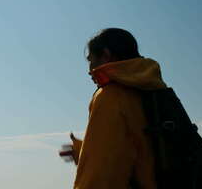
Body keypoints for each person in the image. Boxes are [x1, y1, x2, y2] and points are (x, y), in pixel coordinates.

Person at [60, 28, 167, 189]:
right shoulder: (153, 91)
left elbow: (100, 177)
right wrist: (83, 151)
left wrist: (90, 157)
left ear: (106, 55)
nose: (89, 70)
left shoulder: (111, 97)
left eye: (91, 60)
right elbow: (140, 152)